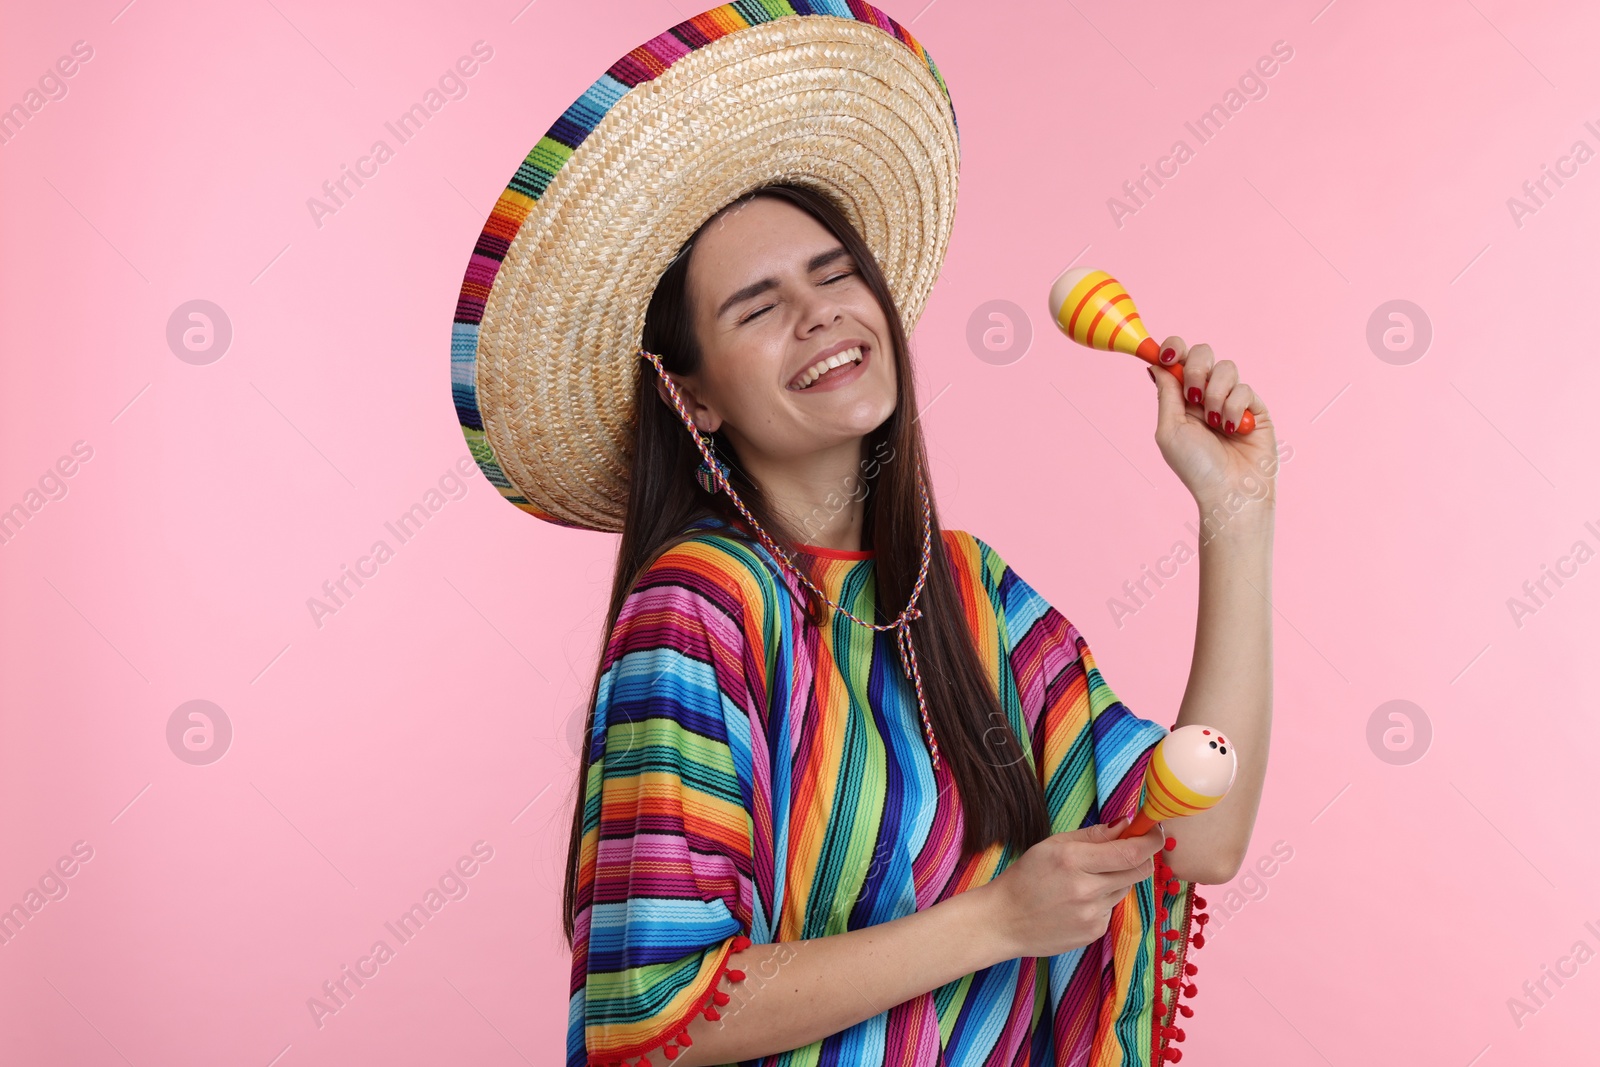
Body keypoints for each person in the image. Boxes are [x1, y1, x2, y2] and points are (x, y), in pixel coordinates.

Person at [447, 7, 1274, 1066]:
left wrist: (1236, 514)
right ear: (691, 393)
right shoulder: (700, 608)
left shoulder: (967, 591)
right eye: (757, 306)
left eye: (834, 274)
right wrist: (997, 922)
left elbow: (1196, 834)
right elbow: (650, 1008)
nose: (819, 313)